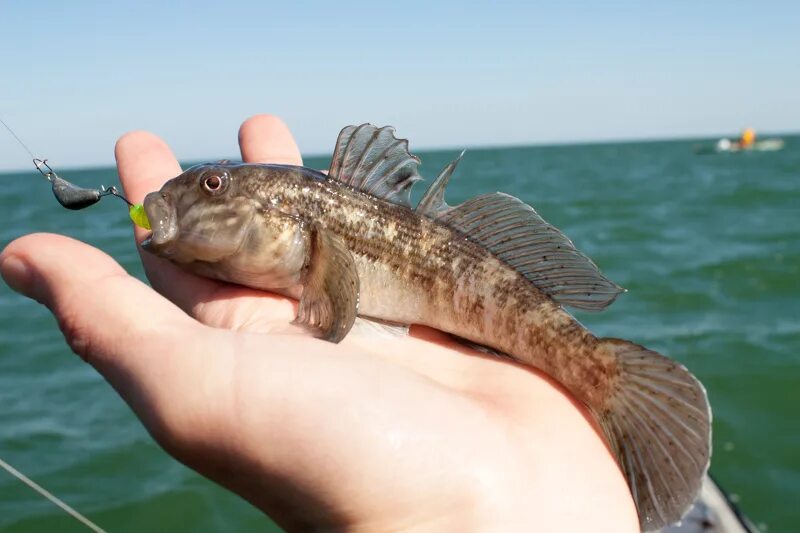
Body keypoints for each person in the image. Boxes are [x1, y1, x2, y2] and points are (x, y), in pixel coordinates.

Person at [0, 115, 638, 531]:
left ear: (294, 227)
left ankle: (596, 376)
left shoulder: (317, 228)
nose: (188, 196)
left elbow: (336, 297)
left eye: (215, 186)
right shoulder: (195, 226)